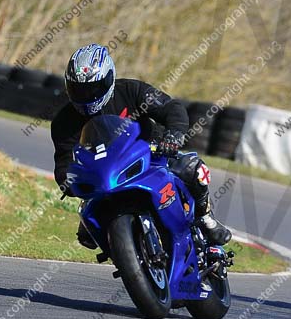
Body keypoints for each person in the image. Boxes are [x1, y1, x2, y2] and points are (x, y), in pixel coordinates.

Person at [51, 43, 231, 248]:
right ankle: (127, 248)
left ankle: (205, 217)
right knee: (88, 232)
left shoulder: (131, 90)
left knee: (193, 168)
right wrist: (72, 181)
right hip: (105, 177)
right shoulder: (63, 123)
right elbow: (64, 164)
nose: (87, 96)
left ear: (109, 79)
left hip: (151, 155)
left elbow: (170, 108)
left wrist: (173, 135)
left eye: (94, 88)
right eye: (79, 90)